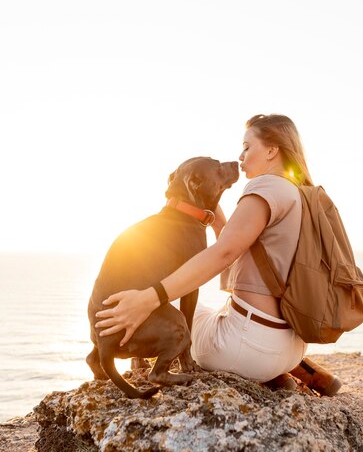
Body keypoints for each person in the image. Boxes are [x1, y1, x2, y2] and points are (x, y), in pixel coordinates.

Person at [95, 114, 340, 394]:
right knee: (203, 312)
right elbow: (240, 247)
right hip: (290, 344)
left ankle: (141, 365)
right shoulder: (300, 192)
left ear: (272, 150)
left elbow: (224, 253)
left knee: (170, 312)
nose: (241, 155)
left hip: (248, 347)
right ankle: (280, 374)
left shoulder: (265, 188)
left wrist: (148, 298)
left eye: (248, 147)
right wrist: (209, 213)